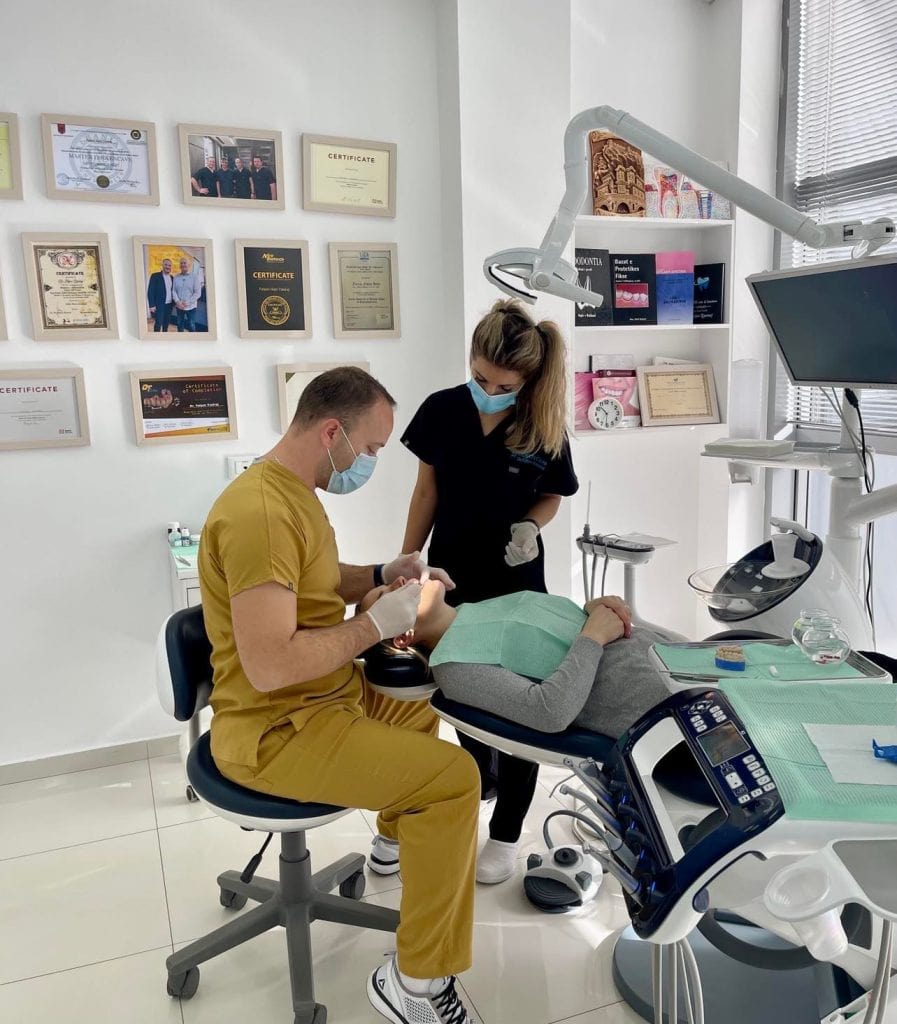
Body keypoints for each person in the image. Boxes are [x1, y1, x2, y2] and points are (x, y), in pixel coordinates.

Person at [198, 366, 480, 1024]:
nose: (372, 462)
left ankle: (392, 840)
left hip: (323, 697)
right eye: (373, 448)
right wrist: (374, 625)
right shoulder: (261, 514)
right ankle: (413, 986)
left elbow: (317, 584)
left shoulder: (293, 491)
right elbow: (269, 668)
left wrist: (383, 574)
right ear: (332, 432)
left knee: (417, 697)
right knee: (453, 779)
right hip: (276, 729)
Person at [401, 298, 578, 884]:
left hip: (514, 580)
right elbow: (426, 492)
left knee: (520, 707)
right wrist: (410, 561)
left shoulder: (542, 422)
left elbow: (552, 495)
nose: (488, 390)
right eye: (480, 377)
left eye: (503, 384)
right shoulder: (441, 411)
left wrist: (532, 525)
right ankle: (482, 770)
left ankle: (505, 833)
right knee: (457, 688)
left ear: (527, 380)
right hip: (451, 576)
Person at [358, 581, 670, 740]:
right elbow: (549, 712)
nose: (398, 580)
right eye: (387, 594)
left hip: (673, 658)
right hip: (663, 704)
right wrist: (592, 636)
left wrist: (590, 610)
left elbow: (548, 643)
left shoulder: (478, 609)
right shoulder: (454, 668)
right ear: (404, 638)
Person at [172, 257, 202, 332]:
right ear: (179, 265)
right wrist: (178, 301)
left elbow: (198, 293)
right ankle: (181, 340)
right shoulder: (176, 277)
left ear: (189, 265)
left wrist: (187, 302)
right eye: (181, 263)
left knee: (191, 324)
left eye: (184, 263)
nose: (183, 264)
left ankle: (192, 341)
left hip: (191, 307)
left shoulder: (194, 277)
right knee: (179, 324)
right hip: (179, 306)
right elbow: (173, 291)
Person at [146, 257, 175, 333]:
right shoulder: (155, 276)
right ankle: (156, 339)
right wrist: (151, 305)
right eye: (166, 265)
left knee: (166, 323)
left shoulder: (172, 277)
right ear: (162, 265)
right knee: (158, 323)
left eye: (169, 265)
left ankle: (164, 337)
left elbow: (173, 291)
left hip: (169, 305)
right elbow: (150, 291)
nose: (167, 267)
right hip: (159, 305)